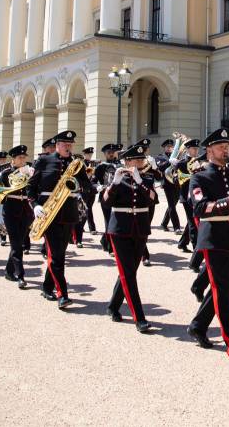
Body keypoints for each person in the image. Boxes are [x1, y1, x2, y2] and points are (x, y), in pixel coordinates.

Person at [186, 128, 229, 367]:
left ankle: (198, 326)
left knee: (220, 289)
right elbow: (200, 208)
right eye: (221, 147)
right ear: (210, 150)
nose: (226, 150)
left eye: (227, 146)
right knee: (223, 293)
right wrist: (228, 200)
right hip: (214, 239)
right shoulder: (199, 176)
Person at [27, 130, 93, 309]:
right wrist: (35, 206)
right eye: (64, 144)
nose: (68, 147)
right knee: (55, 255)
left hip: (68, 214)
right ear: (56, 145)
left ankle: (47, 286)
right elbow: (30, 189)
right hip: (48, 213)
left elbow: (87, 186)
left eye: (70, 145)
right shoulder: (44, 161)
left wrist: (79, 185)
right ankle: (62, 294)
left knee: (59, 254)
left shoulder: (76, 164)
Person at [103, 141, 156, 333]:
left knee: (129, 271)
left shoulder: (147, 178)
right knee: (128, 273)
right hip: (119, 230)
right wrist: (115, 183)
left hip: (140, 228)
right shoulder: (115, 176)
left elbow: (153, 200)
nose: (140, 162)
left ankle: (113, 306)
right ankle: (139, 317)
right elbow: (106, 202)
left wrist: (140, 181)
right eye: (136, 159)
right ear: (127, 161)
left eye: (141, 159)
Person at [0, 145, 33, 288]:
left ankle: (9, 270)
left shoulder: (29, 171)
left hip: (25, 210)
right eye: (20, 157)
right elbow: (1, 188)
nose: (23, 160)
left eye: (24, 157)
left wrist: (32, 176)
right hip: (11, 210)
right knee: (16, 244)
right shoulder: (6, 172)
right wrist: (21, 174)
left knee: (18, 242)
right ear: (13, 159)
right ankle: (20, 275)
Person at [175, 138, 200, 254]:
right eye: (193, 149)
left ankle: (182, 243)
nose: (196, 151)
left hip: (197, 196)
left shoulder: (199, 161)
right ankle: (197, 250)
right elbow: (175, 179)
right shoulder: (181, 163)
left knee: (191, 221)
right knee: (193, 223)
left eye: (196, 148)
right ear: (188, 150)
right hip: (186, 196)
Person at [94, 143, 120, 251]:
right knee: (108, 221)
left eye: (112, 152)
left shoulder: (119, 165)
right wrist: (98, 187)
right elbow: (93, 182)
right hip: (105, 196)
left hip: (117, 196)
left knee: (115, 221)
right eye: (108, 152)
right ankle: (110, 247)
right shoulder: (100, 166)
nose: (111, 154)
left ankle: (105, 240)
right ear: (104, 154)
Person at [155, 139, 182, 233]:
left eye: (171, 146)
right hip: (167, 184)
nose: (170, 148)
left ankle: (164, 223)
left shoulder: (177, 156)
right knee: (172, 205)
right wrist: (169, 161)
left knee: (173, 205)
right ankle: (177, 227)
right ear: (164, 148)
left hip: (177, 183)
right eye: (168, 147)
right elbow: (160, 168)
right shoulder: (160, 157)